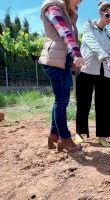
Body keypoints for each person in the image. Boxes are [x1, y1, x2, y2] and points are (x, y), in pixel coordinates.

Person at [39, 0, 84, 151]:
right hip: (55, 62)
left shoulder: (69, 13)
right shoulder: (53, 8)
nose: (79, 1)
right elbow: (64, 31)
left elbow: (72, 34)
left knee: (61, 100)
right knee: (61, 101)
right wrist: (76, 53)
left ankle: (54, 134)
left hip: (62, 61)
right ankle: (64, 138)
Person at [74, 1, 110, 147]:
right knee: (83, 102)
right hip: (86, 70)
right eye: (107, 15)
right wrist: (104, 57)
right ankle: (79, 133)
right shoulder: (88, 26)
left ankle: (102, 136)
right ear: (100, 13)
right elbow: (92, 43)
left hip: (104, 73)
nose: (109, 19)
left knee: (104, 105)